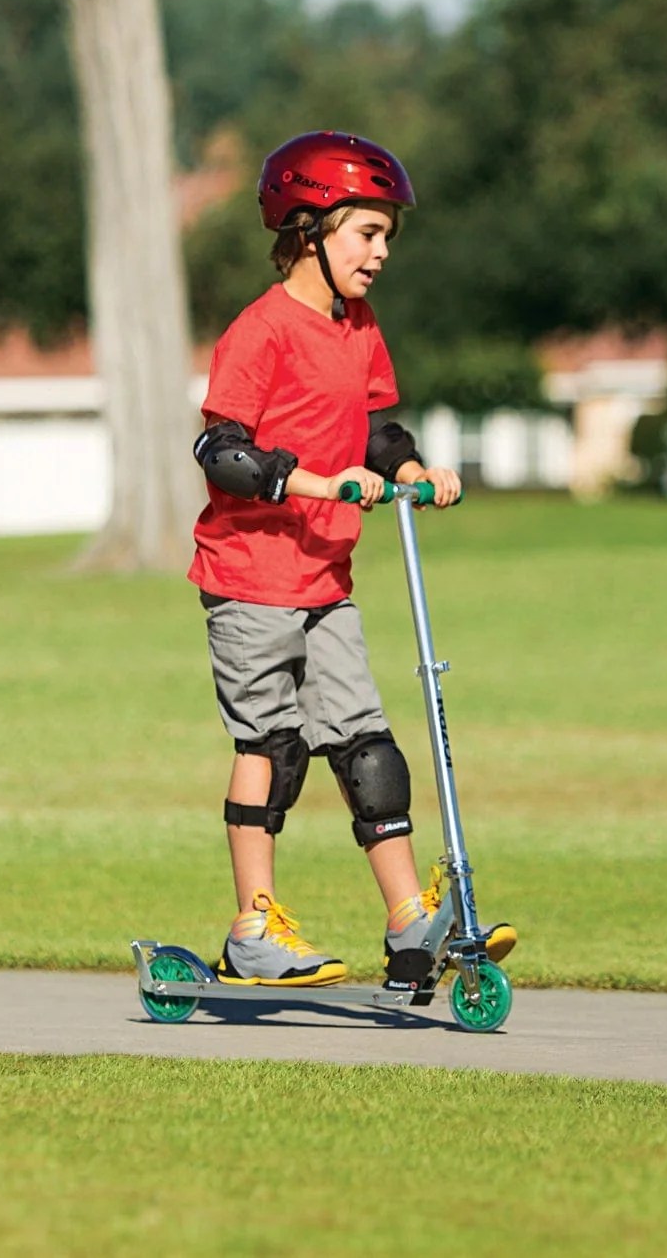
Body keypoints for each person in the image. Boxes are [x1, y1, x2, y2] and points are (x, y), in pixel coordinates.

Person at [188, 130, 509, 989]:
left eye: (387, 237)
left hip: (326, 579)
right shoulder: (261, 332)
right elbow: (221, 451)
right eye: (367, 232)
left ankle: (409, 921)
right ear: (308, 231)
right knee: (273, 744)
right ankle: (253, 927)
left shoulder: (357, 327)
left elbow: (373, 429)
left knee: (365, 742)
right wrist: (316, 481)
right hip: (251, 577)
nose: (381, 252)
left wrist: (413, 470)